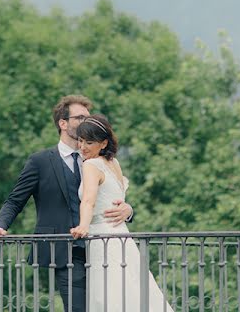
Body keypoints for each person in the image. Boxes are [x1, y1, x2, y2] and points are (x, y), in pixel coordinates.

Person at [0, 95, 134, 312]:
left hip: (104, 248)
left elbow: (114, 196)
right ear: (62, 123)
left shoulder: (101, 160)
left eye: (88, 117)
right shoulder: (40, 161)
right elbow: (15, 200)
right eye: (80, 117)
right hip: (66, 252)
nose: (86, 122)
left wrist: (128, 210)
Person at [69, 114, 174, 312]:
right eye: (80, 141)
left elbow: (89, 200)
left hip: (102, 238)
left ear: (103, 143)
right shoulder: (114, 163)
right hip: (122, 237)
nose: (82, 147)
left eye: (89, 142)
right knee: (133, 290)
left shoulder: (91, 165)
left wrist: (83, 226)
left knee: (109, 295)